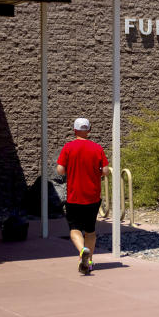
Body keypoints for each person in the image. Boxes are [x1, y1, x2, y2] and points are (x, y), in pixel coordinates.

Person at [56, 117, 109, 275]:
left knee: (74, 229)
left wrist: (69, 171)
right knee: (90, 231)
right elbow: (105, 171)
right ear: (89, 130)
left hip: (74, 195)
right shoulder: (97, 148)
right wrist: (96, 173)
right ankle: (89, 261)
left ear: (74, 130)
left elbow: (60, 169)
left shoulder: (68, 147)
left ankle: (82, 250)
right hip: (93, 195)